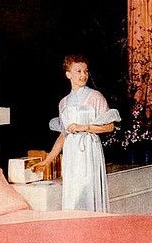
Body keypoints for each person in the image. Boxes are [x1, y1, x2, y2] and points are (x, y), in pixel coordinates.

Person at [34, 54, 120, 212]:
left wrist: (84, 127)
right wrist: (47, 161)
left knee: (87, 191)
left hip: (89, 151)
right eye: (78, 71)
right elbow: (63, 136)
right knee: (73, 196)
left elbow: (109, 127)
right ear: (68, 74)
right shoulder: (64, 103)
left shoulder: (95, 97)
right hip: (71, 154)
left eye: (85, 71)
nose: (83, 75)